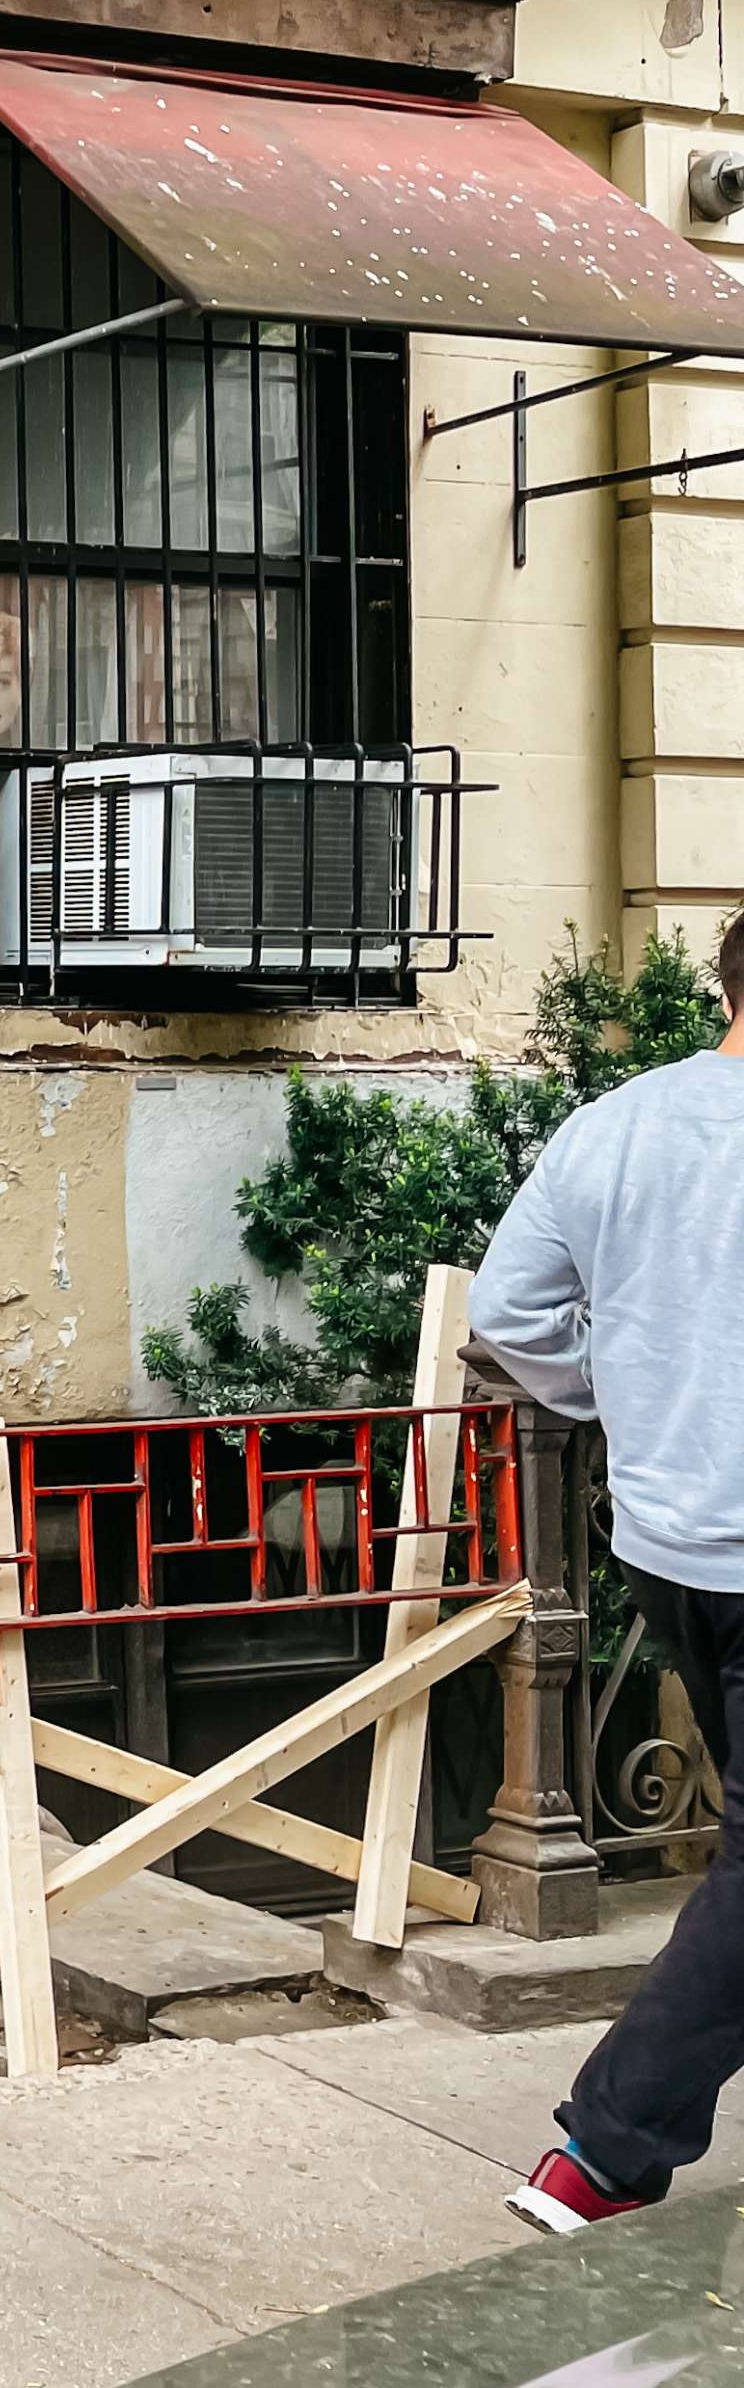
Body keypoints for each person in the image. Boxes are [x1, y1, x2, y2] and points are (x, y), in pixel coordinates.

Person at [479, 912, 744, 2232]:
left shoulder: (620, 1125)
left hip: (669, 1546)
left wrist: (626, 1397)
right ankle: (610, 2148)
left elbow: (506, 1313)